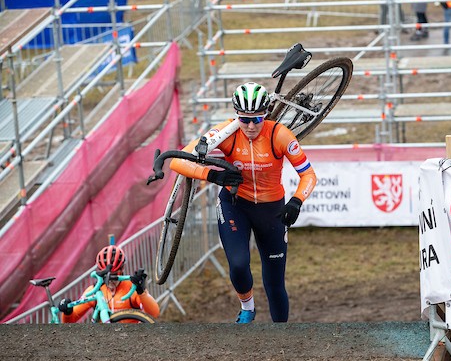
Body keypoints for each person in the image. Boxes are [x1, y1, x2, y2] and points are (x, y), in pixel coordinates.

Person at [170, 82, 317, 324]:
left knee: (275, 284)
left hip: (272, 211)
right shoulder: (226, 132)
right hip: (235, 205)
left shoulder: (279, 135)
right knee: (238, 265)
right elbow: (177, 161)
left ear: (265, 115)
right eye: (244, 119)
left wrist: (296, 201)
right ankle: (247, 308)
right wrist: (213, 175)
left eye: (256, 120)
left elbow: (309, 175)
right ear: (236, 115)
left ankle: (282, 336)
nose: (250, 126)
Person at [58, 245, 160, 322]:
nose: (110, 279)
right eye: (106, 275)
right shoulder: (95, 290)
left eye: (114, 274)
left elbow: (154, 313)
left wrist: (141, 292)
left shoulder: (130, 288)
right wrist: (67, 312)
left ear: (122, 268)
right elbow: (70, 321)